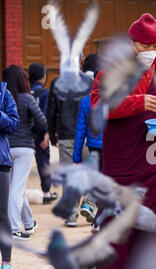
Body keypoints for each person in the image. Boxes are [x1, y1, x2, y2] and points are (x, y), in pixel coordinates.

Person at [91, 13, 156, 269]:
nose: (151, 52)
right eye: (145, 46)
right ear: (132, 44)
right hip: (122, 164)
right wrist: (138, 102)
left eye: (155, 46)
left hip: (153, 163)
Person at [2, 65, 48, 241]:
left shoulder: (3, 98)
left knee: (17, 188)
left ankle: (28, 222)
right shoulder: (27, 99)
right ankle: (14, 228)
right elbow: (41, 121)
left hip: (6, 148)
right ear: (22, 80)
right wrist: (35, 133)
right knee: (17, 189)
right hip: (25, 149)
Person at [47, 55, 91, 227]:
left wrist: (52, 135)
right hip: (87, 136)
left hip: (66, 135)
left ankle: (71, 215)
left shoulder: (57, 83)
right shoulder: (89, 82)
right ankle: (90, 205)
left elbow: (51, 112)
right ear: (81, 61)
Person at [73, 54, 102, 222]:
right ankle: (97, 212)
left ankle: (90, 207)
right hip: (111, 147)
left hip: (92, 146)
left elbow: (80, 131)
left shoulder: (86, 101)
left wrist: (77, 157)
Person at [28, 62, 58, 204]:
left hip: (26, 135)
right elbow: (46, 114)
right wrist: (47, 133)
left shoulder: (26, 92)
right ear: (42, 77)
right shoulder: (45, 93)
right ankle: (46, 193)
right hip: (41, 135)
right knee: (43, 163)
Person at [0, 77, 20, 269]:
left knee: (1, 215)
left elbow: (14, 124)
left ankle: (6, 262)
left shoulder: (4, 93)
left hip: (1, 163)